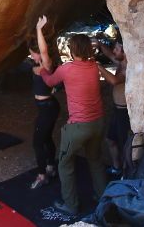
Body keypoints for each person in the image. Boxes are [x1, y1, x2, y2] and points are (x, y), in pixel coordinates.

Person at [36, 16, 107, 216]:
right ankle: (103, 199)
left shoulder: (67, 69)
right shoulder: (94, 67)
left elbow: (50, 81)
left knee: (65, 165)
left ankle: (72, 205)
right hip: (98, 122)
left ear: (72, 49)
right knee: (95, 160)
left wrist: (41, 70)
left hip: (77, 127)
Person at [26, 40, 60, 189]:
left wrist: (39, 29)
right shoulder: (36, 65)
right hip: (46, 107)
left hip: (48, 107)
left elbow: (44, 51)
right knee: (46, 138)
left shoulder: (47, 64)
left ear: (39, 52)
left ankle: (42, 175)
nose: (31, 55)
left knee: (37, 142)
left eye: (33, 53)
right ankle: (51, 167)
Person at [97, 40, 130, 174]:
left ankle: (127, 173)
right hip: (117, 110)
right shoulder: (120, 62)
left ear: (125, 51)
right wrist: (99, 44)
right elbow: (110, 54)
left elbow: (114, 80)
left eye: (117, 49)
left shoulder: (128, 67)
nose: (114, 51)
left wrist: (99, 67)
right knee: (110, 140)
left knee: (125, 145)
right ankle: (117, 167)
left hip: (124, 113)